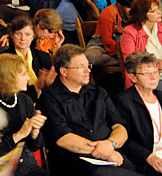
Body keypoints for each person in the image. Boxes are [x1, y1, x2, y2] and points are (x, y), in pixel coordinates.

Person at [38, 44, 140, 175]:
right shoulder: (49, 98)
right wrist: (103, 152)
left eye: (88, 65)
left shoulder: (98, 92)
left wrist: (110, 144)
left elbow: (119, 126)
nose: (88, 70)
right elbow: (63, 138)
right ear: (64, 71)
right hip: (76, 161)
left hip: (111, 153)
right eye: (81, 67)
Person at [0, 54, 49, 176]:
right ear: (7, 77)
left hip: (27, 166)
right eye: (23, 74)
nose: (28, 78)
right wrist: (19, 135)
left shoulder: (25, 100)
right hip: (0, 169)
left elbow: (35, 146)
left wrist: (35, 132)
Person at [114, 52, 162, 175]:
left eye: (155, 71)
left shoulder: (160, 96)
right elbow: (125, 139)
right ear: (133, 77)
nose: (153, 77)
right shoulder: (123, 101)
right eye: (146, 73)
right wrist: (148, 156)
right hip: (147, 159)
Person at [0, 16, 55, 102]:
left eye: (27, 34)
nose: (23, 38)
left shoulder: (44, 57)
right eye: (18, 34)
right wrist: (37, 86)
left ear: (33, 36)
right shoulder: (3, 58)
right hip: (17, 104)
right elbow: (6, 92)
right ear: (12, 35)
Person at [120, 0, 162, 87]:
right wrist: (158, 64)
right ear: (142, 14)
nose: (159, 13)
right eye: (154, 11)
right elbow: (131, 62)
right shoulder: (130, 32)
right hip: (145, 76)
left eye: (158, 9)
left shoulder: (160, 28)